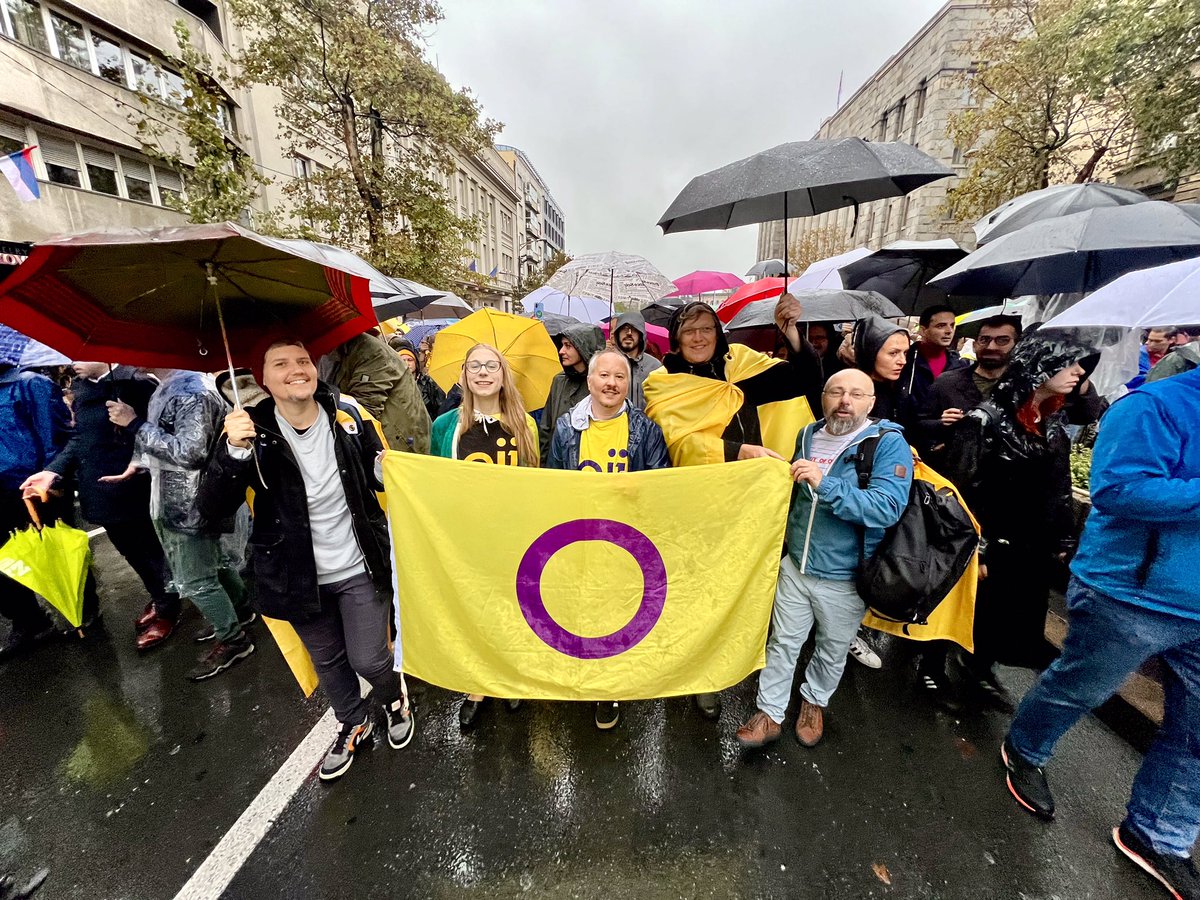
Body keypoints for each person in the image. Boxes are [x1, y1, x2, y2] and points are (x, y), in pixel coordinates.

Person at [1000, 367, 1200, 900]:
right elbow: (1118, 490)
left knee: (1197, 732)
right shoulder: (1153, 406)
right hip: (1132, 594)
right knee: (1079, 689)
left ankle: (1157, 835)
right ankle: (1026, 747)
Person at [199, 338, 412, 781]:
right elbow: (212, 509)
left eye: (302, 361)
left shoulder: (347, 414)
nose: (296, 370)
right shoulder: (247, 430)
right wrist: (234, 453)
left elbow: (378, 472)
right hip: (295, 576)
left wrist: (389, 466)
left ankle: (393, 698)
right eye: (281, 363)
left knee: (371, 660)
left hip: (359, 564)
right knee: (330, 661)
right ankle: (353, 722)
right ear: (263, 378)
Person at [644, 297, 823, 718]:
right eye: (689, 330)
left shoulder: (739, 367)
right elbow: (676, 443)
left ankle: (724, 664)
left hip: (744, 499)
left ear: (718, 332)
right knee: (693, 586)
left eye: (706, 327)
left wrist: (792, 332)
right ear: (676, 339)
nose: (699, 337)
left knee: (735, 582)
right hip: (694, 500)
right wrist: (736, 450)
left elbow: (805, 379)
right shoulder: (663, 380)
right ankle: (695, 673)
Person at [735, 368, 913, 749]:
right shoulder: (807, 434)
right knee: (782, 642)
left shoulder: (886, 443)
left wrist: (824, 482)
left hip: (846, 577)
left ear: (871, 402)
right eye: (836, 392)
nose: (844, 401)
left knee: (832, 649)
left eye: (855, 394)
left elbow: (887, 507)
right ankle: (770, 712)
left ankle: (814, 702)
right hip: (796, 567)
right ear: (823, 397)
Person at [939, 334, 1098, 710]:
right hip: (989, 542)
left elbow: (1059, 484)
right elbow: (957, 491)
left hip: (1030, 544)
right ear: (1040, 365)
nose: (1078, 372)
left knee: (1009, 616)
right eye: (1070, 363)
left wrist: (1062, 540)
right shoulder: (984, 420)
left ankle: (979, 670)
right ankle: (941, 672)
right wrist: (974, 550)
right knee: (968, 612)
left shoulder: (1053, 422)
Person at [546, 348, 669, 729]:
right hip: (578, 537)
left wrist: (639, 493)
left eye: (620, 376)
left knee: (618, 613)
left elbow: (662, 482)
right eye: (604, 375)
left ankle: (608, 687)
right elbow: (553, 481)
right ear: (590, 380)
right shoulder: (567, 428)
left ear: (629, 382)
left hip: (625, 542)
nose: (611, 383)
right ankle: (580, 671)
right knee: (581, 607)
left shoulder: (645, 429)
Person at [105, 368, 254, 681]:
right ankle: (239, 613)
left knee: (195, 578)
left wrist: (133, 423)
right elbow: (169, 439)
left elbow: (191, 452)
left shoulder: (191, 391)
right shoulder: (170, 387)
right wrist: (140, 460)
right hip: (177, 499)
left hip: (190, 504)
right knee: (214, 564)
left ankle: (234, 640)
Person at [20, 364, 180, 651]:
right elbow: (80, 438)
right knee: (131, 552)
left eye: (79, 354)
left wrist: (131, 424)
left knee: (153, 551)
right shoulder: (83, 388)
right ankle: (160, 596)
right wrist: (52, 471)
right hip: (99, 489)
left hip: (134, 485)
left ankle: (169, 608)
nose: (72, 361)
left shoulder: (135, 383)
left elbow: (163, 433)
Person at [431, 343, 538, 728]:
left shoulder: (524, 424)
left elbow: (538, 481)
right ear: (463, 375)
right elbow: (434, 482)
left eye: (491, 365)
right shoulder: (445, 426)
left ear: (502, 374)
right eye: (473, 365)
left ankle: (510, 677)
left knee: (512, 607)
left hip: (512, 535)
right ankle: (478, 683)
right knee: (473, 608)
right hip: (467, 536)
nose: (482, 372)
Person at [0, 361, 73, 659]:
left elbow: (54, 434)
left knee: (58, 552)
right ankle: (28, 621)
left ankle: (80, 609)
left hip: (31, 487)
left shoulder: (30, 384)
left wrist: (53, 476)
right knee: (5, 564)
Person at [319, 332, 431, 454]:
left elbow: (363, 410)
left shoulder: (369, 351)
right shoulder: (331, 353)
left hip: (397, 444)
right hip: (382, 441)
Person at [538, 323, 605, 463]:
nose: (561, 351)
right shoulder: (559, 381)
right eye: (562, 345)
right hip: (556, 463)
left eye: (568, 346)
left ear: (583, 348)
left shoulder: (600, 384)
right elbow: (546, 427)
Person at [899, 305, 968, 418]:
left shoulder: (959, 364)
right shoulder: (906, 360)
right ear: (923, 330)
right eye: (941, 326)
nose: (949, 331)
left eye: (952, 325)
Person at [847, 316, 910, 422]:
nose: (903, 361)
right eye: (893, 353)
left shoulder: (902, 388)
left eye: (905, 353)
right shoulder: (849, 394)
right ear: (871, 352)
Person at [610, 311, 663, 410]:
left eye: (634, 329)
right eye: (624, 329)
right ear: (617, 333)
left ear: (641, 334)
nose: (629, 333)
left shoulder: (655, 366)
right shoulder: (608, 363)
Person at [388, 336, 446, 424]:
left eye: (410, 360)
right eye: (403, 360)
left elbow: (440, 408)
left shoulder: (428, 383)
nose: (407, 363)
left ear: (415, 362)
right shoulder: (391, 384)